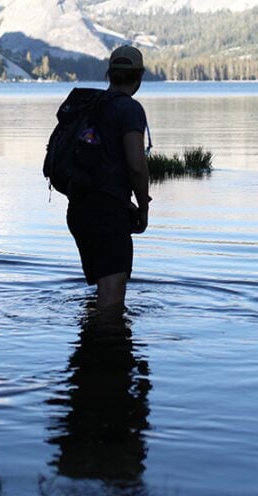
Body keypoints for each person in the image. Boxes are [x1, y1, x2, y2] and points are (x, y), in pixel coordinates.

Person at [66, 45, 151, 318]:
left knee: (102, 293)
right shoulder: (130, 109)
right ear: (139, 76)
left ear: (110, 75)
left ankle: (90, 356)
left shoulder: (92, 106)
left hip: (79, 210)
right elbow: (137, 166)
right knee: (112, 300)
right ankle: (109, 355)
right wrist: (143, 208)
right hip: (108, 214)